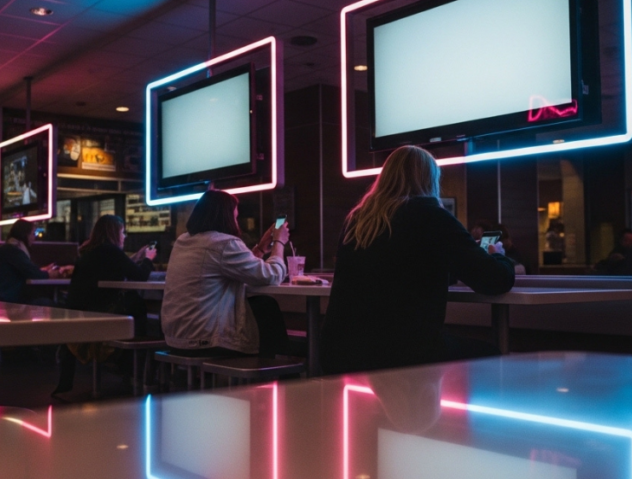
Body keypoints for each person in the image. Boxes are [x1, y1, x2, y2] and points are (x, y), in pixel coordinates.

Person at [321, 145, 515, 375]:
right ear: (429, 180)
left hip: (342, 351)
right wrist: (498, 256)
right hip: (404, 353)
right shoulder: (431, 215)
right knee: (490, 356)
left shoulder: (358, 220)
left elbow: (403, 267)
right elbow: (493, 280)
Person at [161, 190, 291, 356]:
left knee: (262, 305)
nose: (236, 222)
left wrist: (260, 248)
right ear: (226, 217)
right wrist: (279, 242)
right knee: (265, 305)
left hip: (176, 338)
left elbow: (236, 267)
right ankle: (281, 371)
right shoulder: (223, 243)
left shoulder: (183, 241)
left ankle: (275, 370)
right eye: (235, 217)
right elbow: (271, 276)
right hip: (204, 339)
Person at [55, 214, 156, 395]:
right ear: (114, 233)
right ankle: (139, 370)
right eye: (122, 232)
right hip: (99, 316)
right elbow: (140, 276)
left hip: (81, 315)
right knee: (138, 306)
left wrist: (136, 258)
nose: (124, 237)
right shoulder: (110, 251)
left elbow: (117, 267)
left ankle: (130, 368)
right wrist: (148, 258)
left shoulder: (90, 252)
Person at [0, 218, 69, 304]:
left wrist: (42, 270)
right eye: (33, 234)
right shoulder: (13, 251)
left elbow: (27, 269)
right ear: (26, 235)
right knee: (47, 304)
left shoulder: (7, 248)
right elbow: (35, 274)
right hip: (3, 302)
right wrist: (53, 273)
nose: (34, 238)